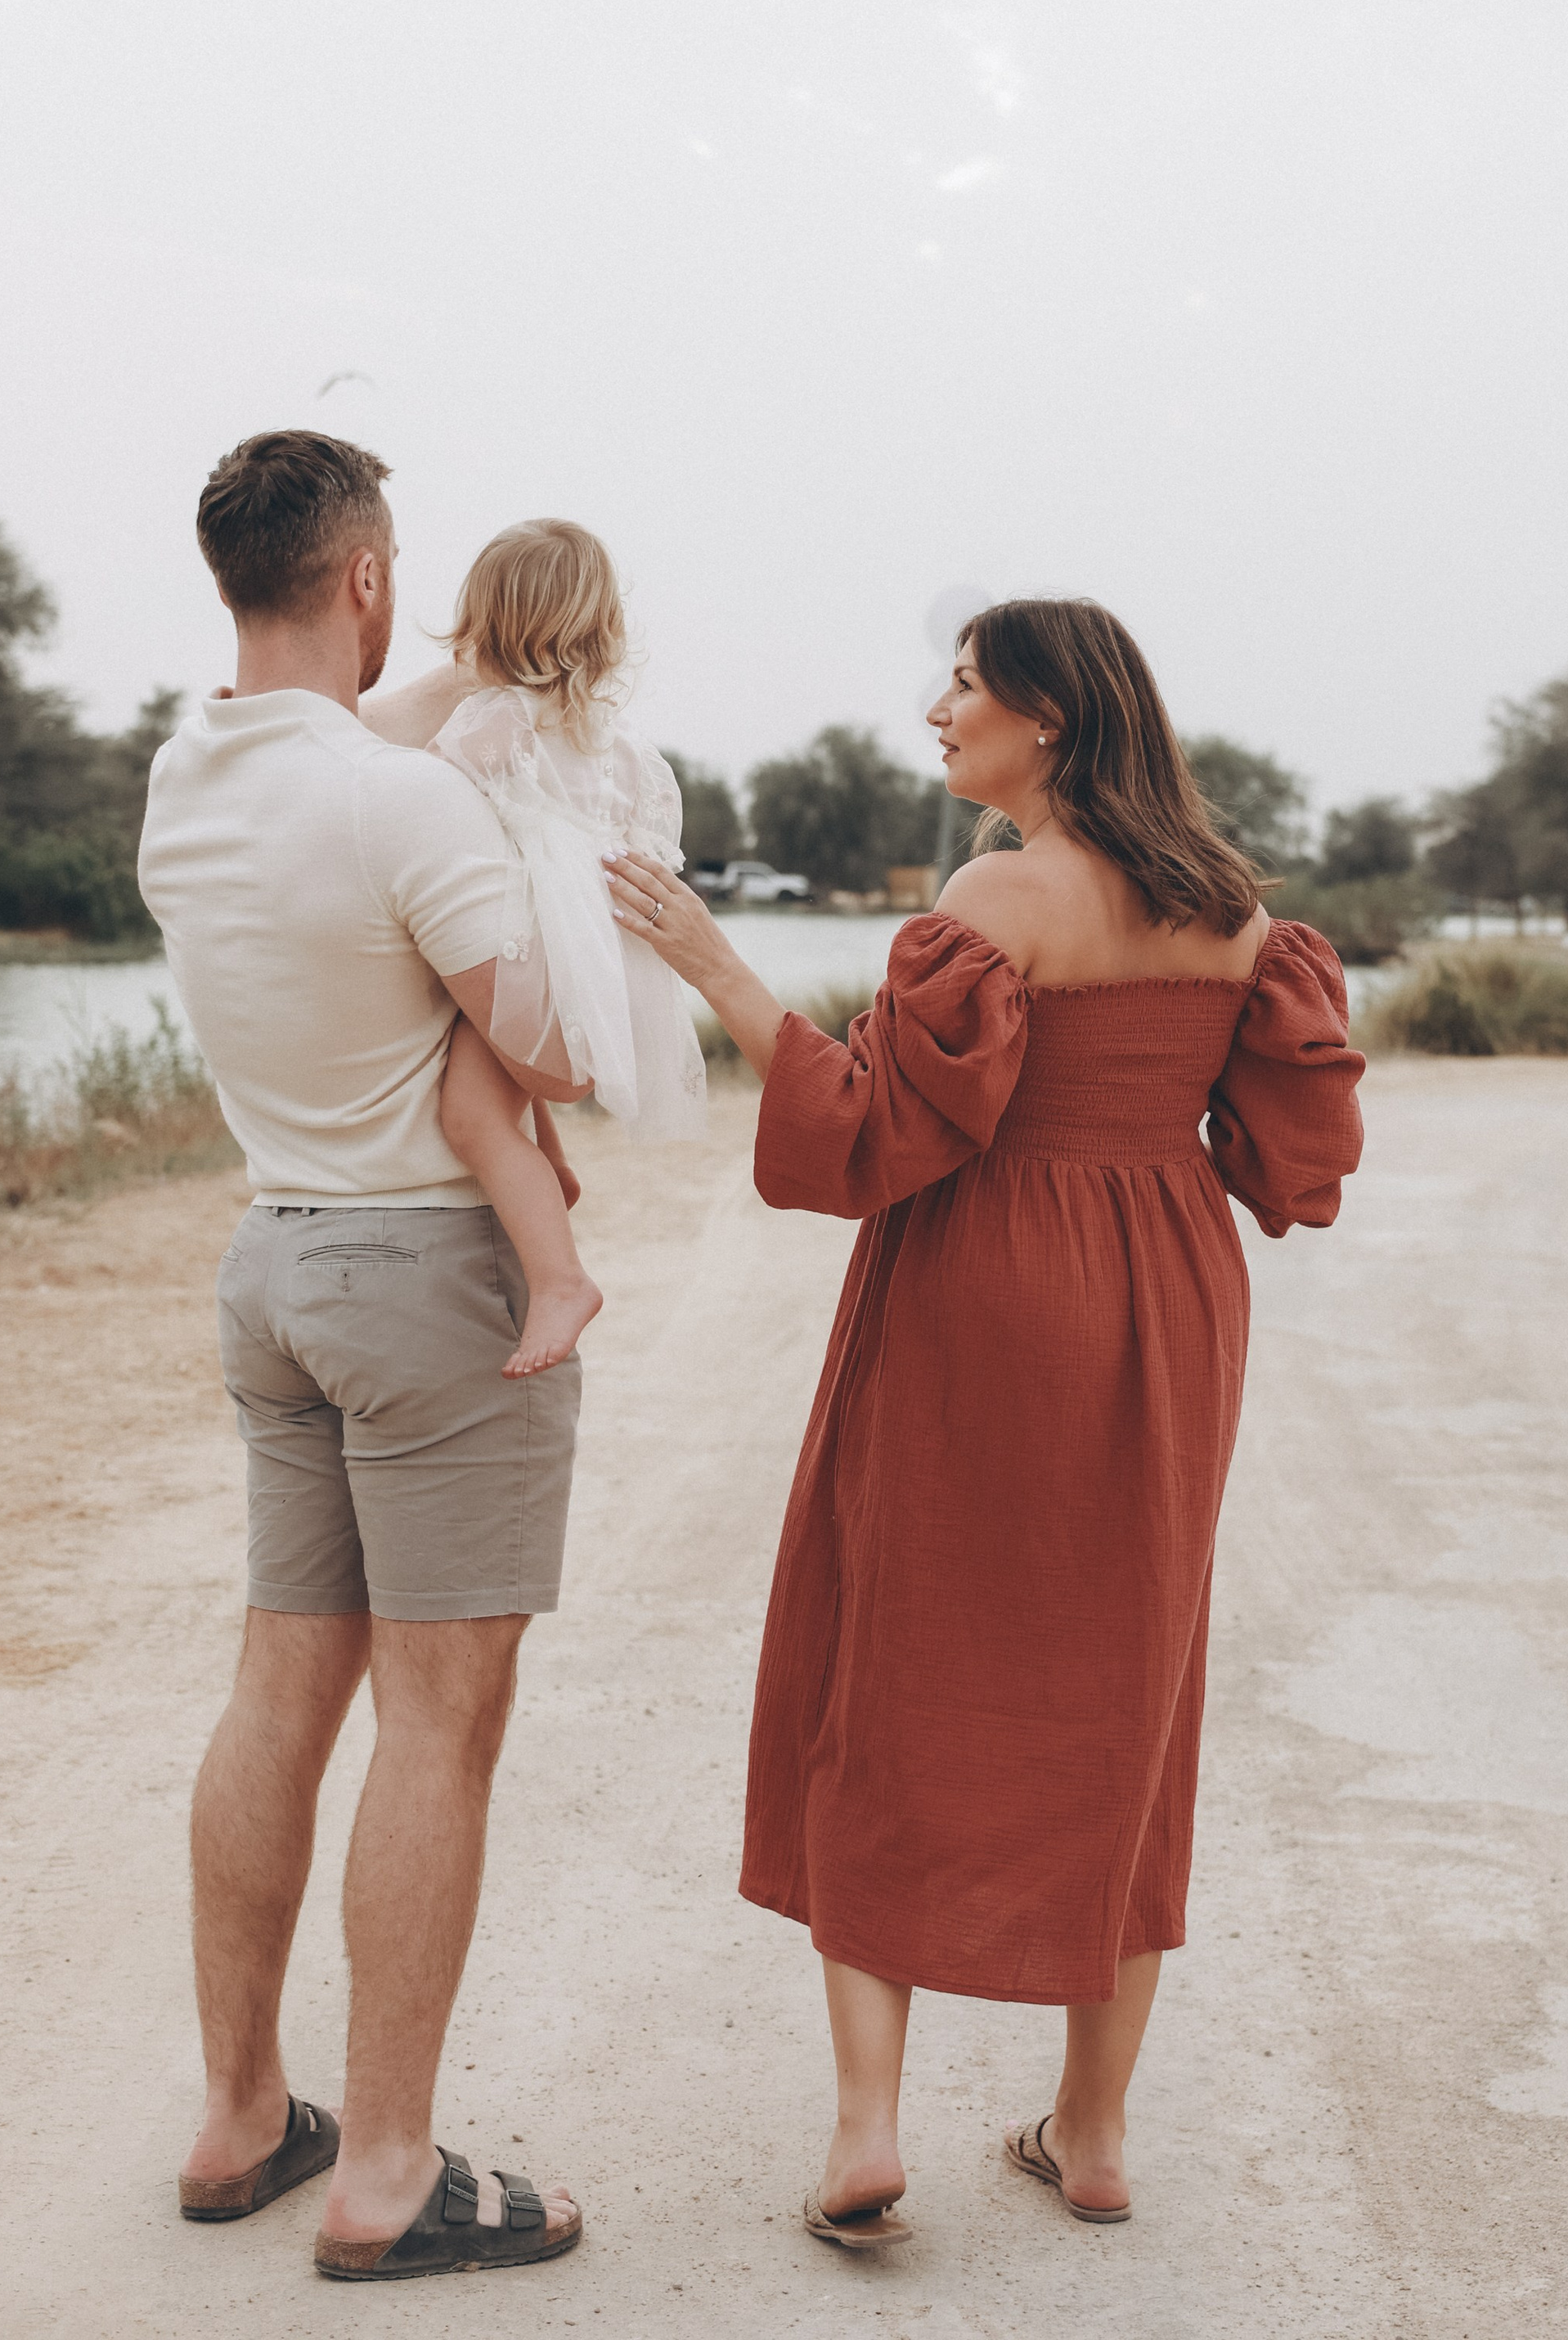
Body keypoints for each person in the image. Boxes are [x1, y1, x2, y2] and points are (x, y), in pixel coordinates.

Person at [604, 596, 1364, 2250]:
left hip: (983, 1279)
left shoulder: (993, 895)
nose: (936, 712)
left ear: (1050, 719)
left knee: (894, 1662)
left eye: (964, 688)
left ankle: (867, 2131)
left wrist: (712, 963)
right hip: (1169, 1295)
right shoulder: (1235, 915)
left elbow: (876, 1133)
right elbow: (1290, 1162)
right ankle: (1089, 2134)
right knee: (1130, 1680)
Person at [137, 430, 584, 2284]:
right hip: (423, 1282)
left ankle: (243, 2106)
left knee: (276, 1693)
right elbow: (546, 1043)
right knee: (437, 1717)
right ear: (367, 575)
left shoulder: (182, 780)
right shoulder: (406, 810)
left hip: (274, 1259)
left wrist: (464, 676)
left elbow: (350, 731)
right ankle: (388, 2166)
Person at [362, 517, 706, 1379]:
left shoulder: (487, 729)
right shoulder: (628, 752)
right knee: (499, 1038)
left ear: (486, 622)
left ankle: (560, 1279)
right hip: (596, 963)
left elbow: (394, 778)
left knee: (470, 1114)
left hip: (539, 953)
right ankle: (549, 1163)